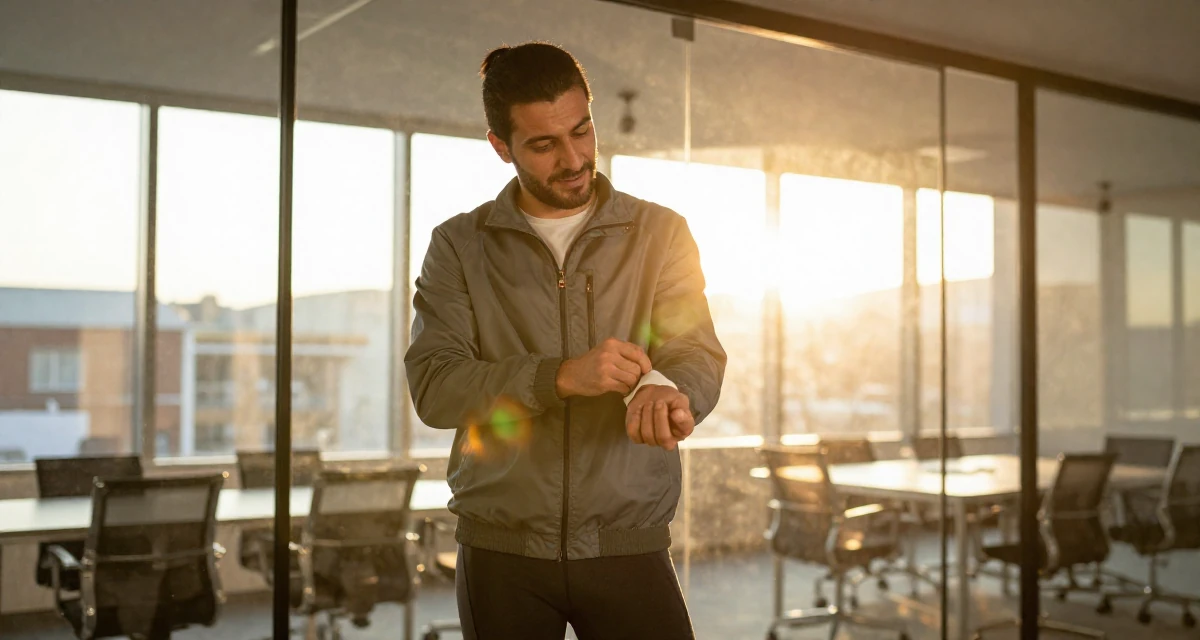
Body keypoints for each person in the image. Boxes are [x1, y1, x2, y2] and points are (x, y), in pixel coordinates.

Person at [405, 41, 726, 640]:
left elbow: (695, 350)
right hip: (502, 554)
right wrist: (556, 377)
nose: (575, 158)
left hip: (627, 544)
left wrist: (667, 386)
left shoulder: (661, 233)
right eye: (544, 144)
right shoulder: (457, 245)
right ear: (501, 147)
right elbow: (435, 387)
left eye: (582, 131)